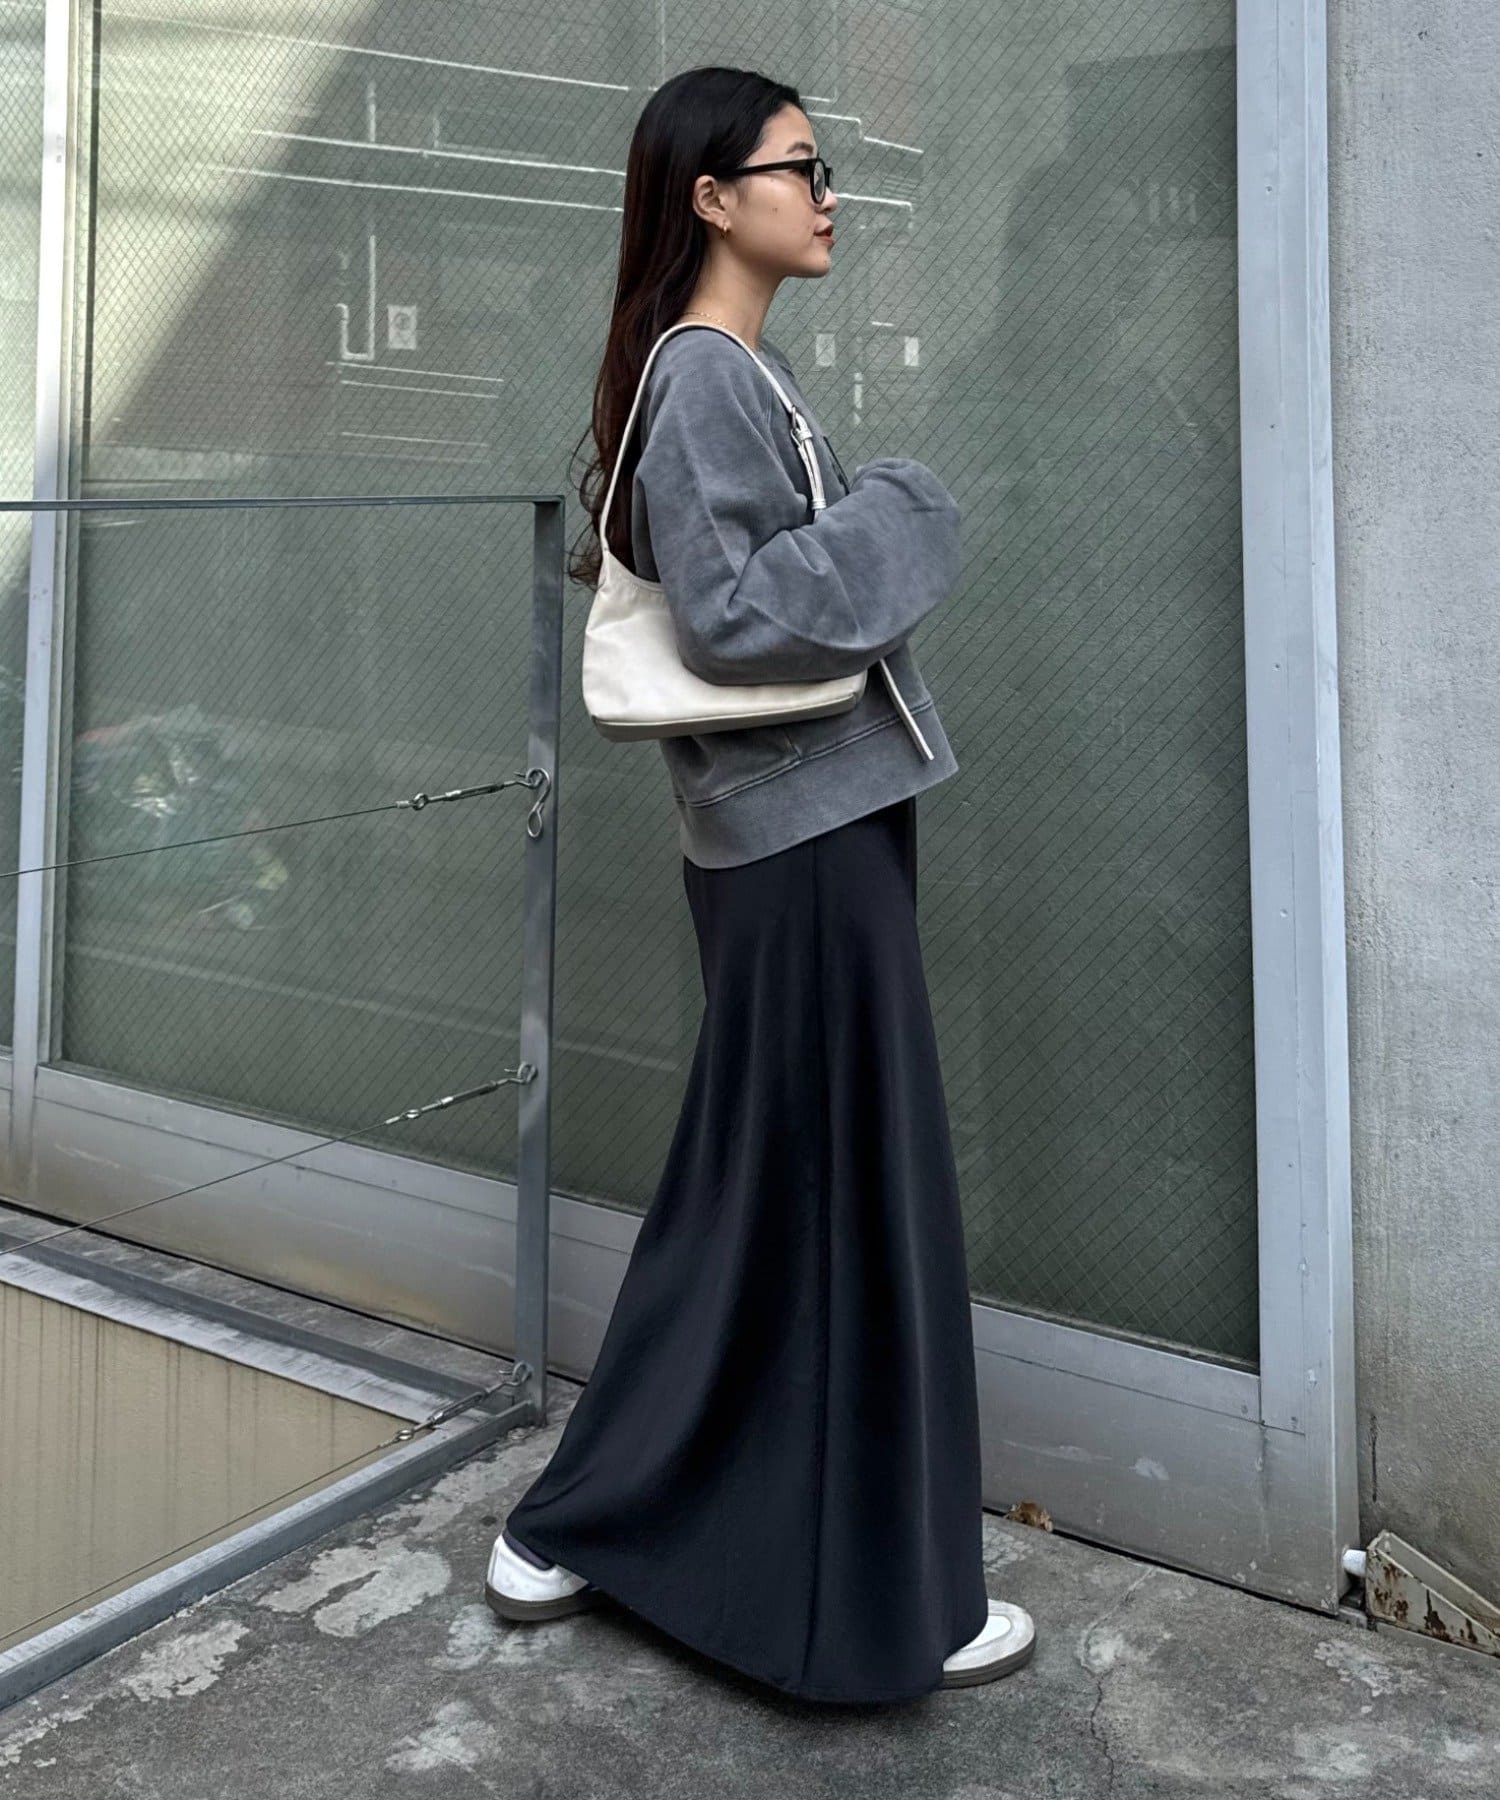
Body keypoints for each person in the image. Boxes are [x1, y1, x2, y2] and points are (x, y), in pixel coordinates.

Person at [484, 64, 1037, 1703]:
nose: (829, 193)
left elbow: (747, 598)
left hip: (801, 834)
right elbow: (738, 618)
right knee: (831, 1195)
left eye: (823, 166)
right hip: (798, 845)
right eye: (801, 166)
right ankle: (849, 1590)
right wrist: (907, 509)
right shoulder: (710, 376)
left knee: (773, 1193)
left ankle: (604, 1520)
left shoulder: (731, 372)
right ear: (715, 198)